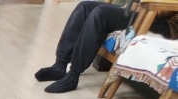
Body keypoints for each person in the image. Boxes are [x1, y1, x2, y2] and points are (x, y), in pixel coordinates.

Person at [35, 1, 177, 93]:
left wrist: (143, 3)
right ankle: (60, 64)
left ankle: (73, 75)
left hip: (166, 23)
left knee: (101, 13)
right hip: (145, 10)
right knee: (85, 7)